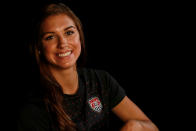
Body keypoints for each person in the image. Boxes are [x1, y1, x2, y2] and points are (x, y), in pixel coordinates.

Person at [17, 2, 159, 131]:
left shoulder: (99, 80)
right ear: (39, 48)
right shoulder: (33, 109)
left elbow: (151, 127)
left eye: (69, 32)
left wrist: (135, 126)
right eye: (50, 37)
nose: (63, 43)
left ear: (80, 36)